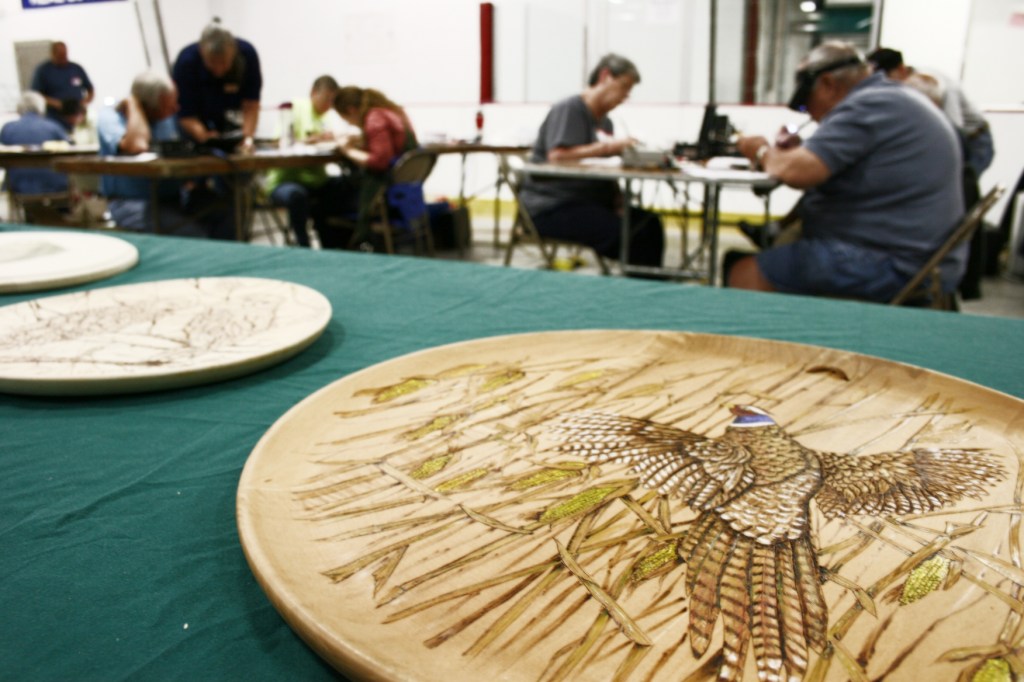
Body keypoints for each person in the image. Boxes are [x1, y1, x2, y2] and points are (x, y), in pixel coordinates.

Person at [729, 41, 964, 302]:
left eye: (808, 105)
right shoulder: (890, 99)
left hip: (893, 263)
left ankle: (758, 340)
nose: (814, 117)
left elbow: (800, 172)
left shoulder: (870, 104)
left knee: (746, 272)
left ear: (828, 84)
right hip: (912, 253)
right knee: (785, 244)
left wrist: (760, 150)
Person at [517, 53, 664, 269]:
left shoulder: (605, 122)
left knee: (649, 224)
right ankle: (637, 291)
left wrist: (617, 199)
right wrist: (609, 147)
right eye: (624, 86)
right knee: (628, 235)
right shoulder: (569, 109)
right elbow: (557, 156)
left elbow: (604, 170)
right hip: (553, 206)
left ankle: (652, 286)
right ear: (605, 76)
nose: (625, 96)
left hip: (587, 202)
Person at [96, 70, 233, 239]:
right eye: (169, 105)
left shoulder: (168, 119)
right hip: (132, 203)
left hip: (175, 199)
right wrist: (134, 105)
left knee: (226, 212)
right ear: (148, 105)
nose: (176, 108)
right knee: (193, 236)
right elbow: (136, 145)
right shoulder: (111, 116)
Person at [867, 47, 994, 176]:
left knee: (959, 185)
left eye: (887, 78)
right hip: (949, 140)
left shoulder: (937, 83)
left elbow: (953, 131)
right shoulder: (904, 85)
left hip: (973, 141)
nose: (883, 84)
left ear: (901, 69)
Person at [321, 85, 419, 250]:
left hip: (385, 187)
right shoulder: (390, 110)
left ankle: (345, 246)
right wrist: (361, 139)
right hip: (404, 186)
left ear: (351, 110)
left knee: (324, 197)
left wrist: (347, 150)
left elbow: (379, 161)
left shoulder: (374, 119)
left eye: (346, 119)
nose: (349, 123)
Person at [265, 75, 345, 247]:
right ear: (313, 93)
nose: (329, 106)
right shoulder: (294, 108)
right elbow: (279, 143)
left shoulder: (325, 117)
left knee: (343, 185)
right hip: (285, 182)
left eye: (333, 101)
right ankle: (303, 246)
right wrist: (311, 141)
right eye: (326, 100)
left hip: (315, 181)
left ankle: (336, 244)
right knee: (297, 195)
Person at [172, 19, 262, 154]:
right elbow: (186, 114)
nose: (219, 69)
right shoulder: (186, 62)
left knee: (241, 158)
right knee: (204, 157)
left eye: (224, 62)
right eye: (212, 62)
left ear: (234, 50)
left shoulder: (247, 55)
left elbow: (251, 104)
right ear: (202, 52)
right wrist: (206, 138)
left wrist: (247, 138)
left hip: (231, 118)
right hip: (196, 118)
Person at [0, 91, 70, 196]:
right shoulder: (54, 127)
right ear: (42, 108)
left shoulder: (8, 129)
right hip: (55, 186)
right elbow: (70, 146)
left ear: (19, 108)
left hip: (17, 188)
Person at [30, 41, 94, 132]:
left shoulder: (76, 69)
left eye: (65, 54)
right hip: (54, 117)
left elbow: (90, 89)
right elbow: (36, 94)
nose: (63, 57)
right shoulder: (43, 70)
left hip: (77, 117)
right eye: (60, 55)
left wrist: (84, 103)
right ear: (53, 54)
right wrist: (57, 104)